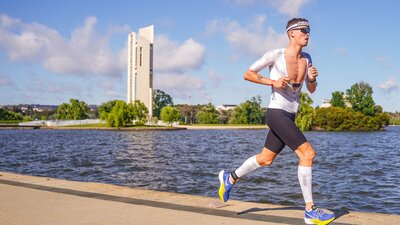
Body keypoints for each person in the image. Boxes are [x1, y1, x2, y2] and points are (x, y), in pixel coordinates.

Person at [218, 18, 335, 225]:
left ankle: (231, 177)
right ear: (292, 33)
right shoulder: (275, 55)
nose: (308, 34)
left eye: (309, 30)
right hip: (276, 113)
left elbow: (311, 89)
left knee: (266, 159)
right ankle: (310, 210)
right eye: (304, 30)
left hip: (290, 115)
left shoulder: (307, 58)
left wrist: (313, 79)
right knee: (308, 153)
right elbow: (248, 74)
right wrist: (273, 81)